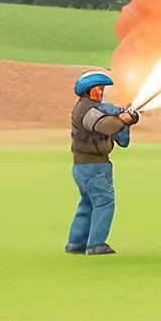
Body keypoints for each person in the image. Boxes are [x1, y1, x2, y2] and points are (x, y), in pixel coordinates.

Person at [67, 70, 139, 256]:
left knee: (88, 203)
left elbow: (114, 127)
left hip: (83, 165)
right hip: (94, 166)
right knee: (104, 202)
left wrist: (125, 119)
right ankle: (96, 244)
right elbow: (106, 126)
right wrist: (122, 119)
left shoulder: (86, 107)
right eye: (100, 89)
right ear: (90, 91)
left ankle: (76, 243)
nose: (103, 92)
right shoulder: (88, 110)